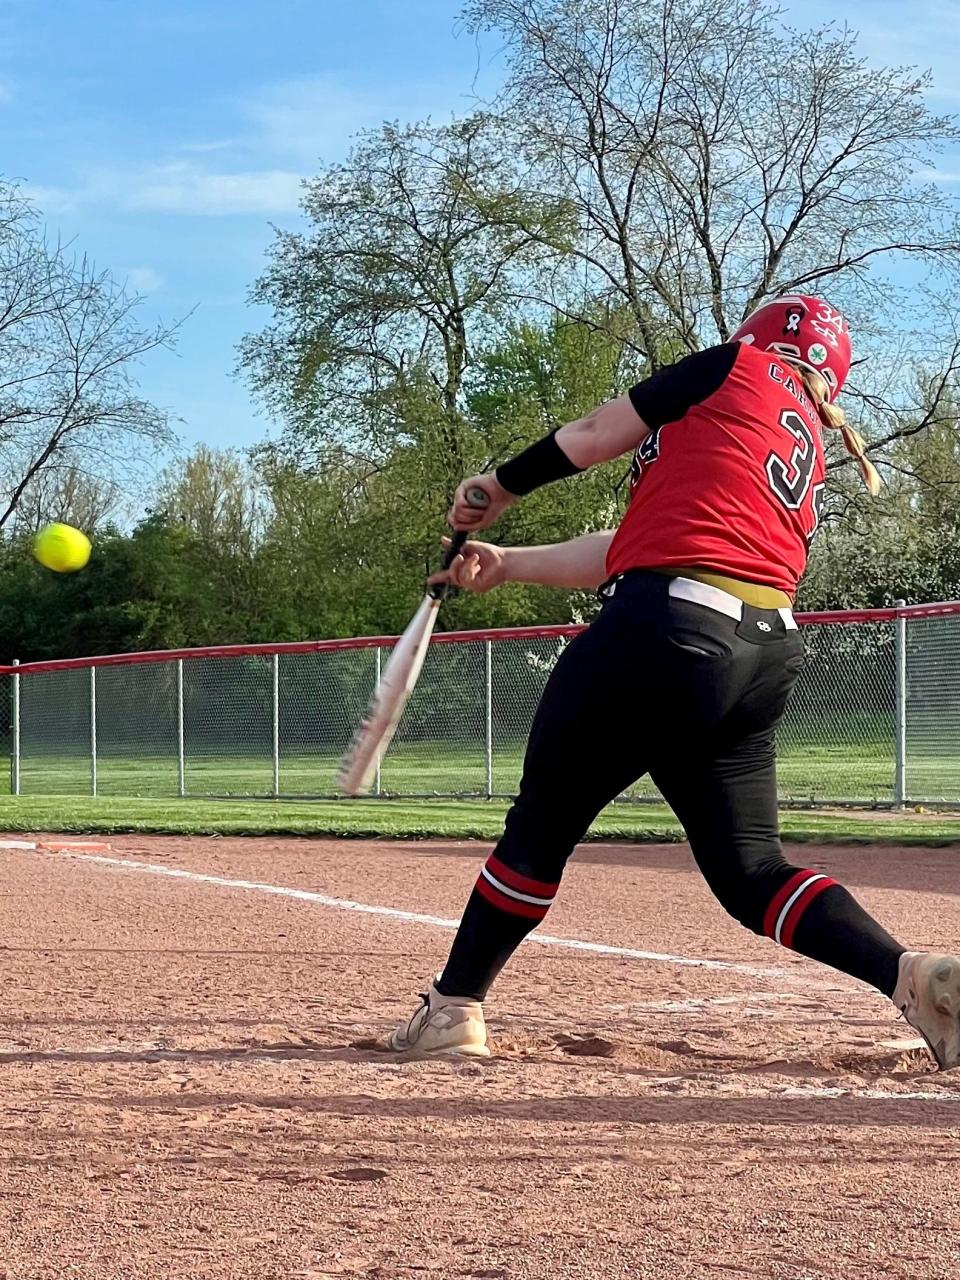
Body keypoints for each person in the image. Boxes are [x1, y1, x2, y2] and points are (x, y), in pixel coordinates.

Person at [387, 294, 960, 1072]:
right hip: (763, 651)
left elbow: (591, 437)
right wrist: (512, 562)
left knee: (541, 828)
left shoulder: (731, 366)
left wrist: (501, 484)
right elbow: (634, 545)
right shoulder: (805, 440)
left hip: (662, 631)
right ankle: (907, 975)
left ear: (755, 338)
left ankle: (453, 1009)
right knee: (752, 871)